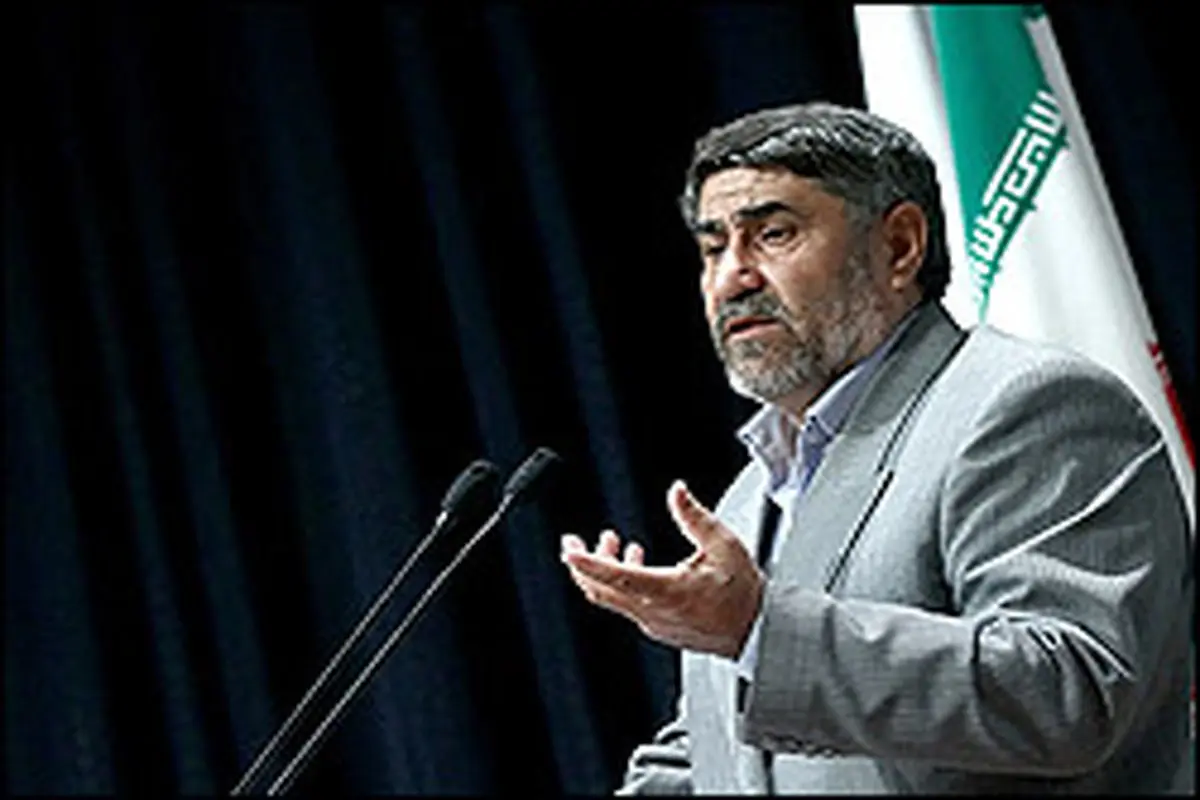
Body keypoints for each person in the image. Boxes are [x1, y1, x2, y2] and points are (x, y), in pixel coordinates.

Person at [559, 101, 1194, 794]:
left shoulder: (1029, 406)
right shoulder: (749, 497)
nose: (733, 276)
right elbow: (731, 757)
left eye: (773, 234)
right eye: (714, 248)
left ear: (898, 247)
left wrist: (758, 630)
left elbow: (1066, 691)